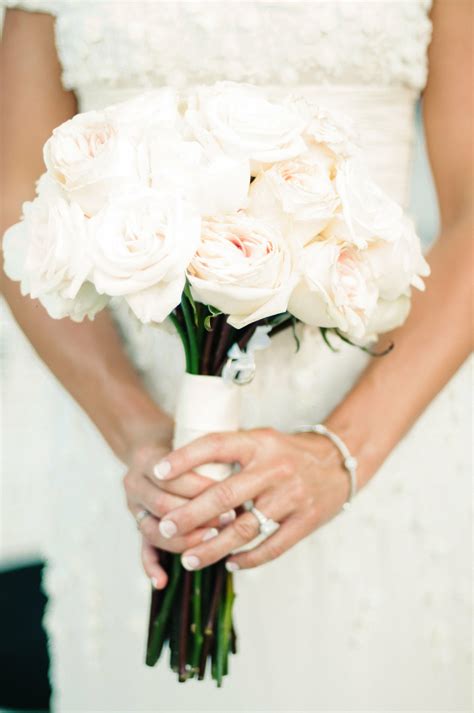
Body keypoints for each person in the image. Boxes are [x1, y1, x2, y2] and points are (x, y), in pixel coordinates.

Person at [1, 1, 472, 710]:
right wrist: (140, 439)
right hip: (138, 454)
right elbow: (18, 203)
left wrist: (338, 453)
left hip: (388, 429)